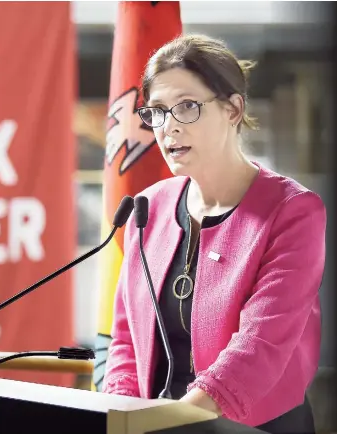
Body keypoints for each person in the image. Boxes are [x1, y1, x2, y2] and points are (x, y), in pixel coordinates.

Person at [102, 34, 326, 433]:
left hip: (250, 427)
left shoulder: (294, 212)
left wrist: (167, 424)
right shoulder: (146, 207)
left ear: (233, 109)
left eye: (187, 106)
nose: (168, 126)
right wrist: (117, 415)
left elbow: (258, 349)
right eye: (157, 111)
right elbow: (125, 339)